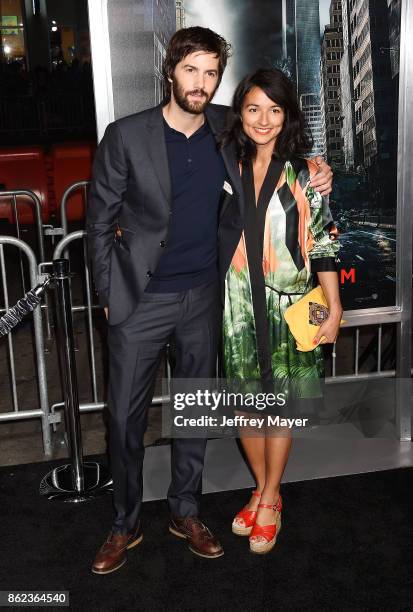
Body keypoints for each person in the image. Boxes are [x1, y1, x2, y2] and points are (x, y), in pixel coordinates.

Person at [87, 28, 333, 574]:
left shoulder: (227, 125)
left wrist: (317, 168)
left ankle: (186, 511)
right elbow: (98, 226)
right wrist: (110, 297)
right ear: (170, 70)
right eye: (191, 70)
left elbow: (275, 137)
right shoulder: (126, 136)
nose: (201, 84)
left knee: (193, 414)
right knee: (126, 420)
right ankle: (124, 523)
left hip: (205, 298)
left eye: (211, 73)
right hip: (140, 301)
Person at [221, 68, 342, 554]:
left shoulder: (306, 174)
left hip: (293, 303)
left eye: (274, 109)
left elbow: (326, 243)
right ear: (241, 113)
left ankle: (269, 498)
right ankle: (263, 487)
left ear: (288, 115)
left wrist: (333, 306)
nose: (264, 119)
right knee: (247, 404)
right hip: (235, 306)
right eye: (253, 109)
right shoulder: (223, 167)